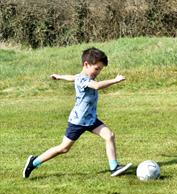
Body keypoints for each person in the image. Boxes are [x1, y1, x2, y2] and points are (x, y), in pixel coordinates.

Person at [23, 47, 132, 178]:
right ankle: (33, 162)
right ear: (86, 64)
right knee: (63, 148)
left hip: (91, 119)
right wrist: (115, 80)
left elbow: (72, 77)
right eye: (97, 68)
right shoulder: (83, 79)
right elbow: (96, 86)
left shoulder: (80, 77)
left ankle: (114, 168)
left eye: (100, 69)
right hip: (78, 121)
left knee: (109, 135)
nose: (98, 72)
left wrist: (59, 76)